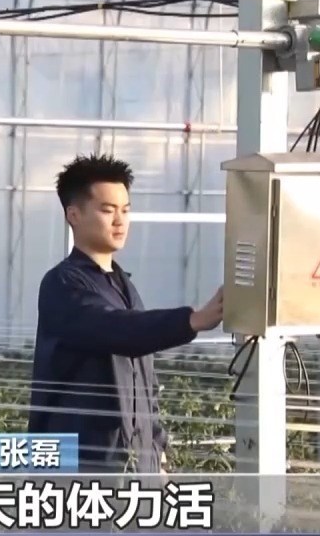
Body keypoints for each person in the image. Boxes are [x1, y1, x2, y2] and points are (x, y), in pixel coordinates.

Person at [27, 153, 224, 474]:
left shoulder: (123, 286)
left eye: (125, 210)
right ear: (74, 215)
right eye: (107, 210)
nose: (120, 221)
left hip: (133, 467)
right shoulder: (62, 284)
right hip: (84, 468)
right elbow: (115, 329)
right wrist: (192, 320)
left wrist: (157, 451)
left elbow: (144, 383)